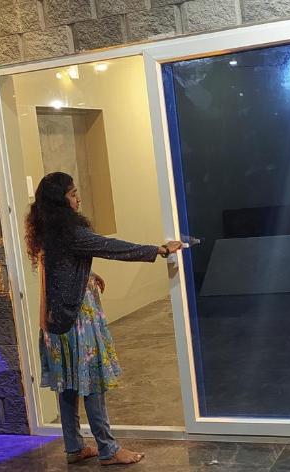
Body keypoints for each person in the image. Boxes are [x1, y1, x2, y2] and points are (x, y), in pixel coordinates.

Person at [25, 172, 182, 466]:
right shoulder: (71, 233)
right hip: (76, 319)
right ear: (61, 201)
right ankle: (108, 449)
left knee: (69, 385)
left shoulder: (50, 230)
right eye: (72, 194)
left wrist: (89, 274)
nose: (78, 198)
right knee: (92, 382)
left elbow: (59, 268)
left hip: (54, 320)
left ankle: (74, 447)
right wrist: (159, 250)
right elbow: (113, 248)